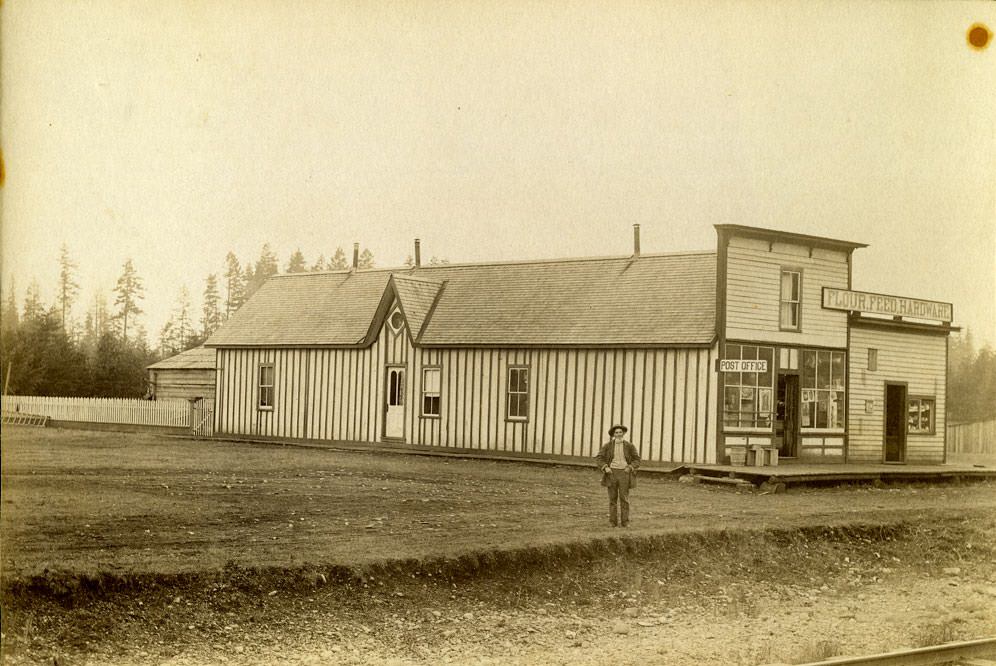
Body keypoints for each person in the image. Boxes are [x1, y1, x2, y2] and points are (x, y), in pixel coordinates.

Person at [595, 424, 640, 527]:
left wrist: (630, 467)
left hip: (624, 473)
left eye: (620, 432)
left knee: (624, 498)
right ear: (613, 434)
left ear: (623, 433)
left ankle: (625, 522)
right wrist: (605, 467)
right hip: (612, 473)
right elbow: (599, 458)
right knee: (612, 499)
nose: (618, 434)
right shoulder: (607, 446)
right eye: (616, 433)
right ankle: (612, 522)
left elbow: (637, 459)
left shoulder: (629, 446)